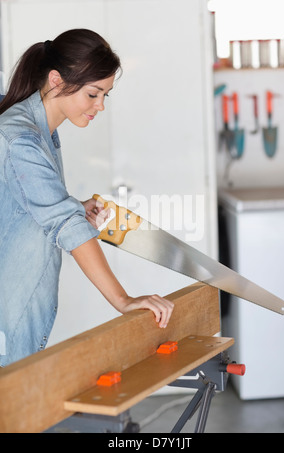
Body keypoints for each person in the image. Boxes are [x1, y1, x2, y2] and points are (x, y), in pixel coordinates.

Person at [0, 29, 174, 367]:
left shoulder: (41, 131)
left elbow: (23, 205)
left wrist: (76, 207)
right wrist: (123, 301)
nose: (101, 106)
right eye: (94, 94)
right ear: (56, 80)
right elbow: (66, 226)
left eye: (106, 95)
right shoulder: (20, 138)